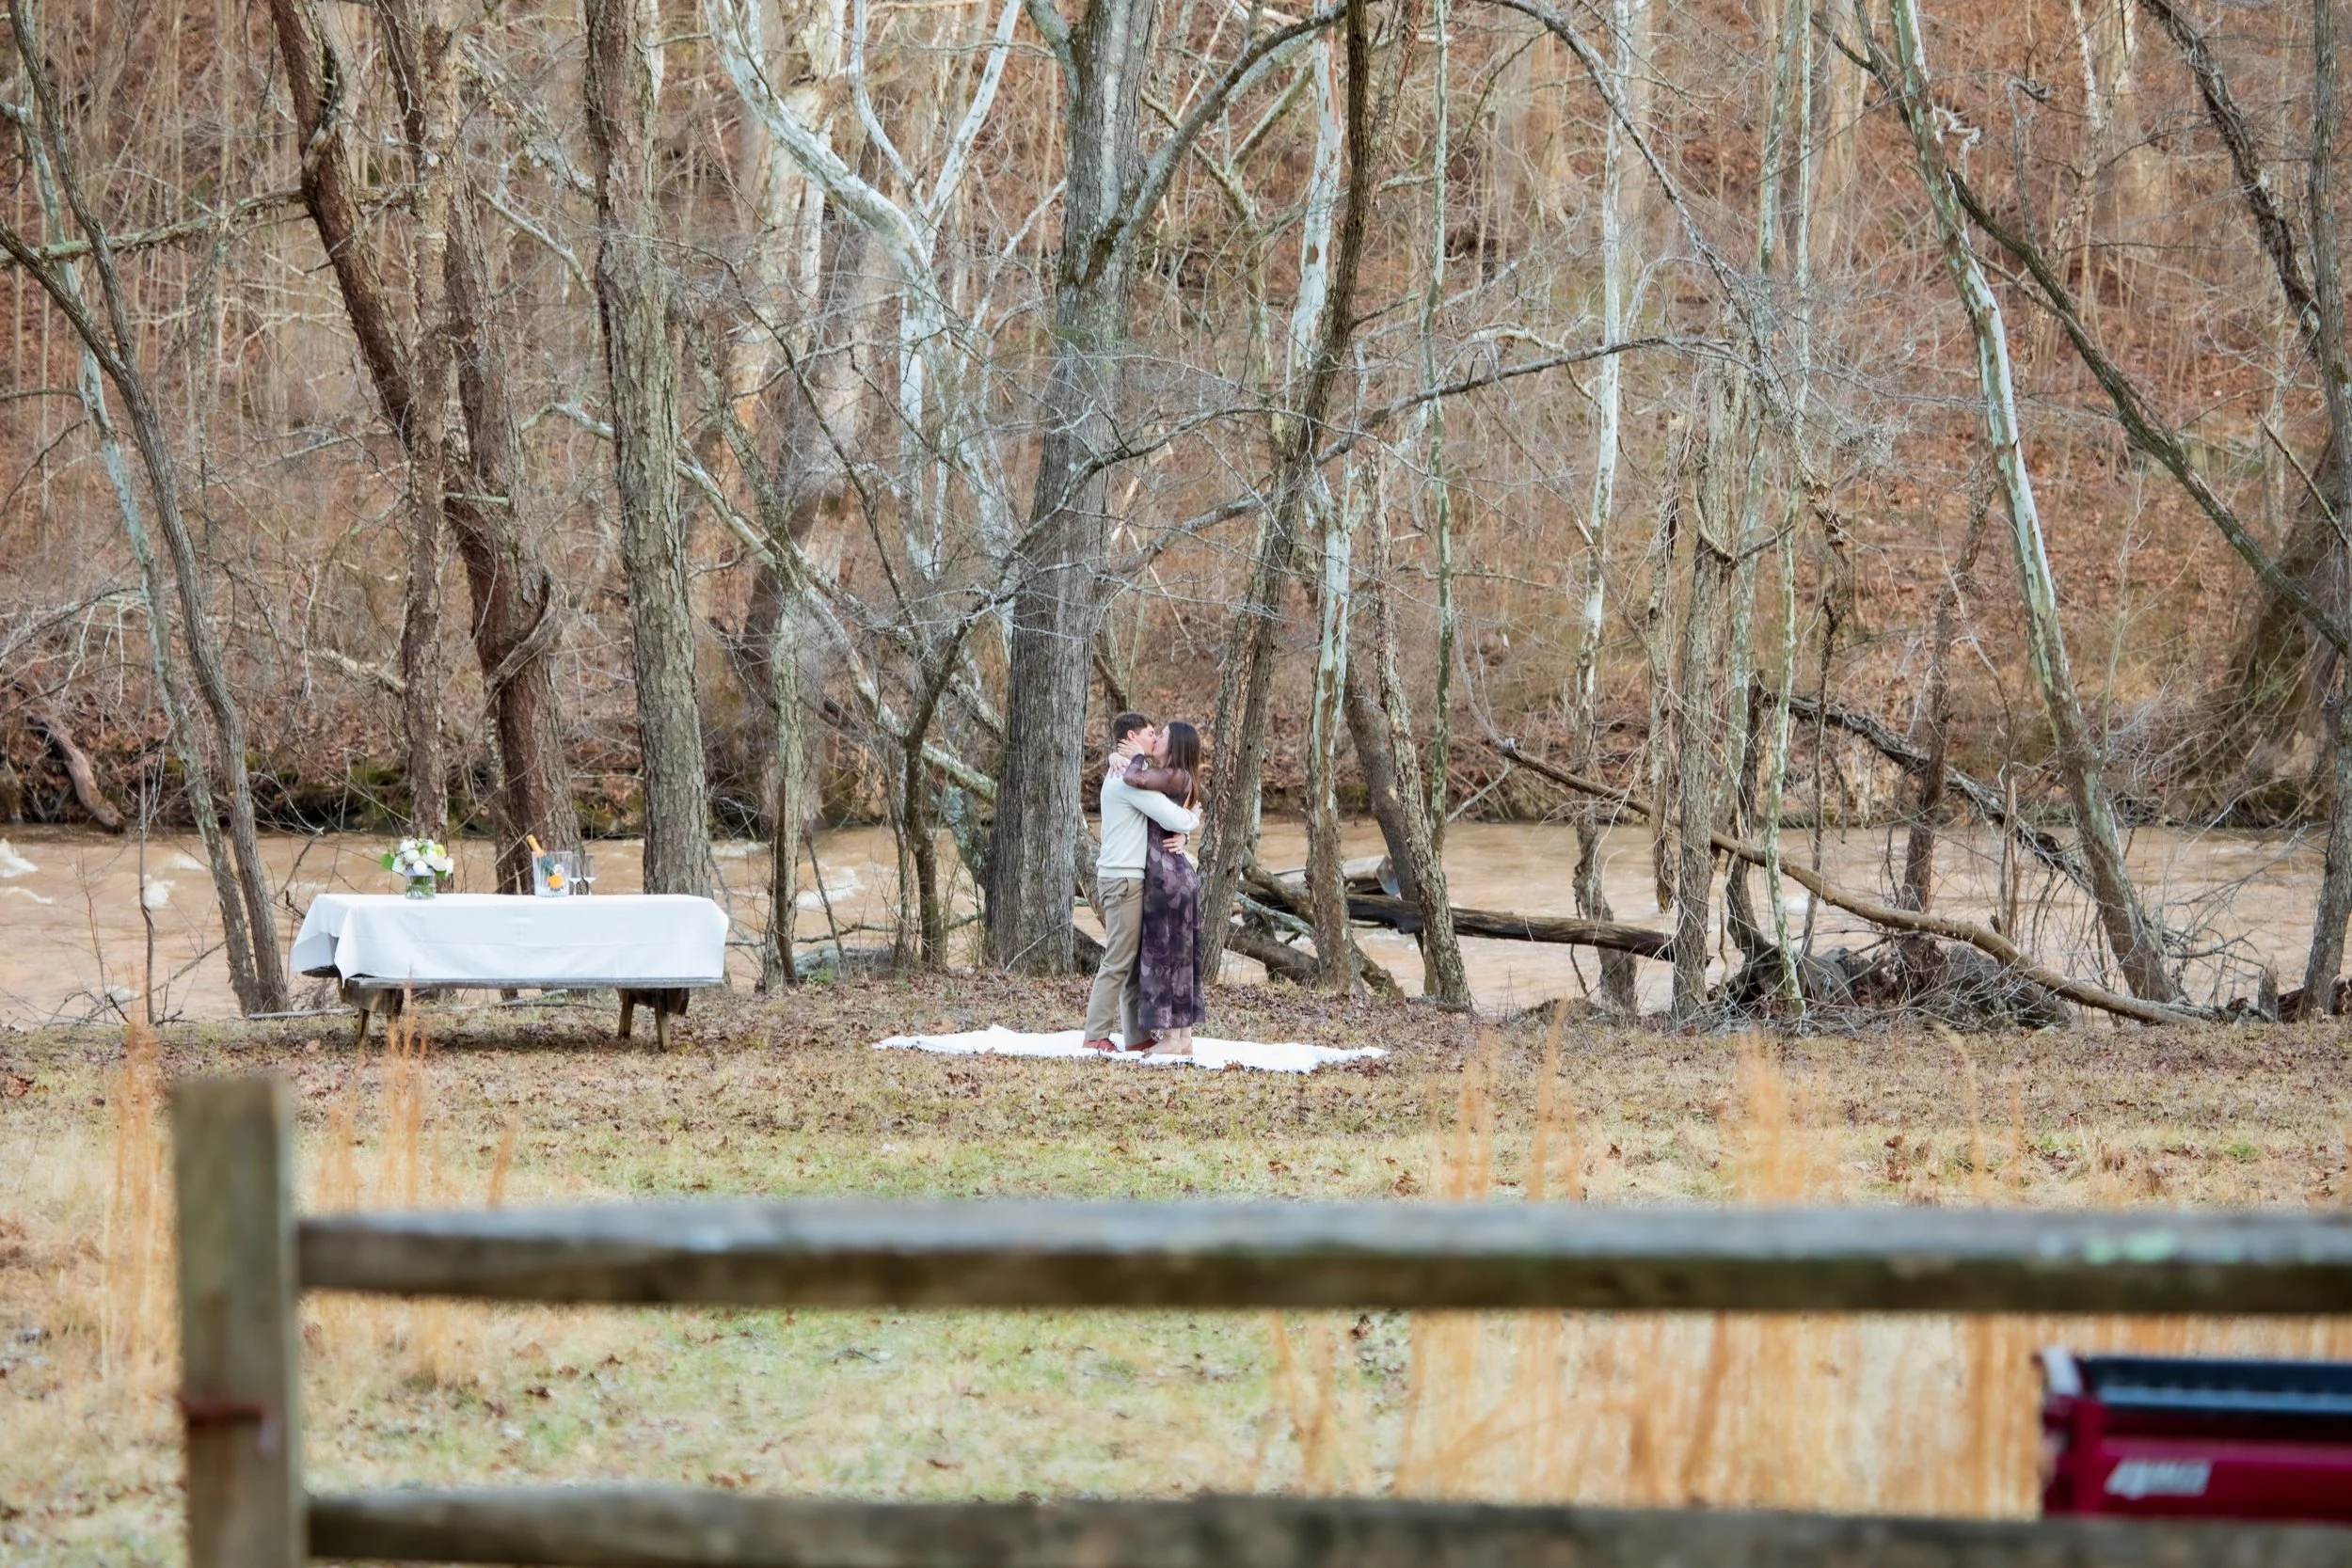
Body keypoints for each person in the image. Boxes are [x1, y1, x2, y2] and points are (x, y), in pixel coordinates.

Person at [1082, 713, 1200, 1053]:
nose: (1155, 738)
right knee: (1119, 958)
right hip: (1122, 879)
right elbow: (1170, 815)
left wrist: (1184, 838)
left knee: (1129, 959)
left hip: (1126, 878)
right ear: (1132, 737)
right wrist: (1192, 820)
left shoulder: (1128, 773)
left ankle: (1135, 1037)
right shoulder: (1126, 779)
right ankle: (1095, 1035)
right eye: (1151, 733)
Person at [1121, 721, 1206, 1059]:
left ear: (1176, 745)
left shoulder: (1174, 774)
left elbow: (1134, 779)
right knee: (1181, 957)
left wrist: (1136, 756)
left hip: (1165, 880)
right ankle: (1183, 1037)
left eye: (1163, 736)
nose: (1156, 739)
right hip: (1178, 876)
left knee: (1165, 958)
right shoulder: (1181, 777)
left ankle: (1171, 1038)